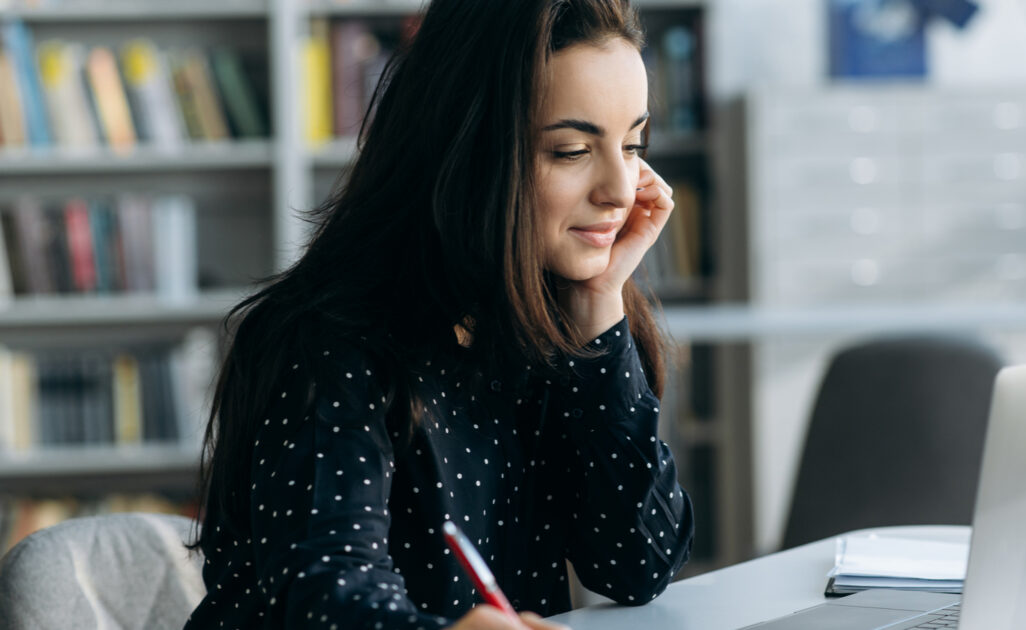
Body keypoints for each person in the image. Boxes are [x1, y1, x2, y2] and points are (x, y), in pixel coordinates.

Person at [182, 0, 695, 628]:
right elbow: (325, 598)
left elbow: (637, 565)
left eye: (633, 143)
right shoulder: (326, 342)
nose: (621, 187)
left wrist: (599, 303)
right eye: (570, 150)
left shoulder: (549, 313)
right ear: (468, 145)